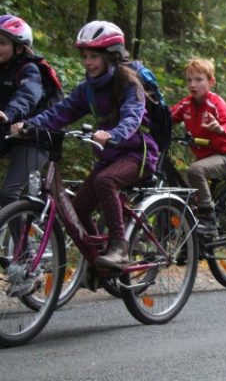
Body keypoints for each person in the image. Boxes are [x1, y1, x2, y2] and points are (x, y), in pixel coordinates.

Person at [12, 20, 159, 269]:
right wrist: (29, 125)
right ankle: (100, 261)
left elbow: (133, 116)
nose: (88, 62)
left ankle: (119, 248)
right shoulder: (88, 89)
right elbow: (61, 112)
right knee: (78, 208)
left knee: (105, 181)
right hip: (111, 156)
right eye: (85, 56)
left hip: (139, 153)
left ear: (111, 57)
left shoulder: (129, 83)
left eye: (94, 56)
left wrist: (113, 134)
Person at [169, 58, 226, 236]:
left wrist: (219, 128)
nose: (193, 84)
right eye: (189, 80)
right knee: (182, 191)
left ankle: (208, 219)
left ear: (211, 82)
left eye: (199, 80)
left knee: (195, 170)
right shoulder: (186, 104)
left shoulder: (216, 103)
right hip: (204, 158)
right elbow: (168, 117)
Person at [0, 15, 49, 207]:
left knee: (9, 194)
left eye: (2, 43)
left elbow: (28, 96)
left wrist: (8, 114)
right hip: (7, 132)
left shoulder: (30, 70)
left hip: (34, 136)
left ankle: (22, 229)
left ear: (19, 48)